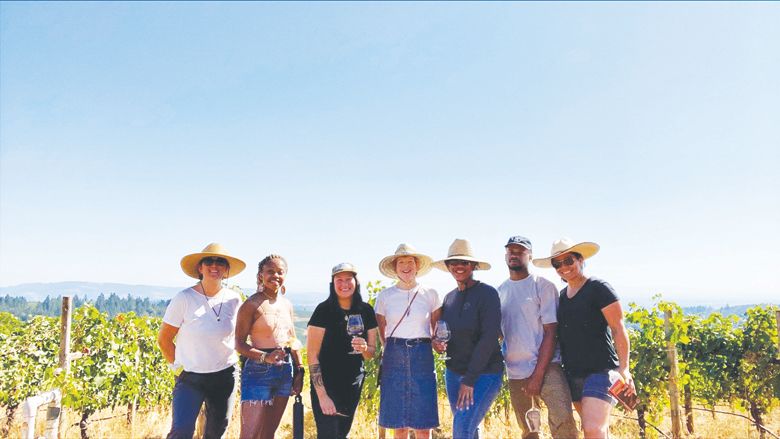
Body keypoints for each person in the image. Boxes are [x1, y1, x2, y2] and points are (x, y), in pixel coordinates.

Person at [533, 238, 636, 439]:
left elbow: (618, 328)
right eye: (557, 264)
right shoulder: (561, 297)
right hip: (572, 375)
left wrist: (624, 368)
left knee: (592, 430)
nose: (563, 267)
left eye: (568, 260)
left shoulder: (598, 288)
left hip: (601, 371)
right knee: (598, 431)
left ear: (580, 260)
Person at [158, 243, 246, 439]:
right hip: (190, 379)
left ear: (226, 270)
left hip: (225, 376)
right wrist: (178, 368)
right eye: (209, 261)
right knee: (181, 431)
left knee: (216, 432)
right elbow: (164, 339)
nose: (214, 266)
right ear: (200, 267)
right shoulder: (184, 299)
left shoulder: (234, 299)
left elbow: (241, 335)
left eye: (220, 262)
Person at [498, 236, 578, 439]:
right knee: (529, 431)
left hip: (547, 366)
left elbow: (551, 331)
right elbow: (500, 334)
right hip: (516, 373)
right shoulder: (500, 292)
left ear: (530, 256)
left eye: (520, 250)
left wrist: (538, 375)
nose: (514, 254)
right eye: (510, 250)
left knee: (564, 424)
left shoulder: (543, 286)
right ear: (506, 255)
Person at [432, 239, 504, 439]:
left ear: (473, 266)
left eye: (464, 262)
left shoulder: (488, 294)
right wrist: (438, 344)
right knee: (468, 429)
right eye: (453, 263)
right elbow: (446, 335)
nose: (458, 267)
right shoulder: (449, 298)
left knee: (462, 428)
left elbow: (490, 338)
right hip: (453, 373)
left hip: (485, 374)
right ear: (448, 267)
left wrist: (470, 380)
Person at [375, 244, 441, 438]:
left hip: (422, 354)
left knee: (424, 422)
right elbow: (382, 331)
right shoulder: (385, 296)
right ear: (395, 268)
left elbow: (437, 330)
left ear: (417, 265)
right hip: (394, 354)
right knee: (399, 422)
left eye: (410, 262)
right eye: (401, 262)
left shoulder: (431, 294)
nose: (405, 266)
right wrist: (390, 351)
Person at [235, 254, 304, 439]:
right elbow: (239, 344)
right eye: (270, 271)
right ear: (260, 276)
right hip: (258, 371)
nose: (276, 276)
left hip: (285, 371)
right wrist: (265, 357)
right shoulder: (251, 305)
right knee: (249, 434)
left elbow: (293, 339)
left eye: (280, 272)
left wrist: (300, 370)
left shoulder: (287, 305)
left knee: (268, 434)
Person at [307, 263, 379, 439]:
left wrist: (364, 349)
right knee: (327, 435)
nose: (344, 284)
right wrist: (322, 396)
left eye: (348, 279)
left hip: (352, 385)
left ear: (356, 281)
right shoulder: (323, 310)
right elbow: (312, 355)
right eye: (339, 280)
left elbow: (371, 353)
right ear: (333, 283)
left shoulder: (366, 310)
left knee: (341, 434)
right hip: (327, 384)